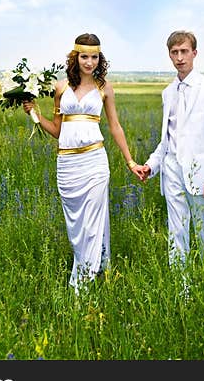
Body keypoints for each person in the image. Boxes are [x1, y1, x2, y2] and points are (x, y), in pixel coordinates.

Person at [23, 33, 143, 291]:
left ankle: (82, 282)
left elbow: (116, 127)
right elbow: (57, 130)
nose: (89, 62)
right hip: (67, 165)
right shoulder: (60, 88)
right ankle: (93, 267)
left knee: (94, 221)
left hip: (95, 162)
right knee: (76, 225)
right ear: (75, 57)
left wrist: (130, 161)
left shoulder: (105, 88)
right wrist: (33, 113)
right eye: (84, 56)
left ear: (100, 59)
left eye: (94, 57)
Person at [134, 30, 204, 271]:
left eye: (184, 51)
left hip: (202, 173)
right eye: (174, 52)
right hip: (172, 170)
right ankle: (181, 292)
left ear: (194, 53)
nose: (180, 57)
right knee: (176, 232)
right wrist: (152, 165)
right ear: (169, 55)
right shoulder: (168, 92)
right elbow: (167, 139)